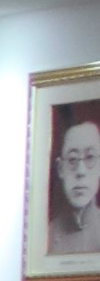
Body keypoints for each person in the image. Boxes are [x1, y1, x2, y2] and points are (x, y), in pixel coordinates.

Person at [45, 103, 100, 260]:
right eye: (72, 159)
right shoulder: (48, 235)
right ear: (60, 169)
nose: (80, 171)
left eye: (90, 157)